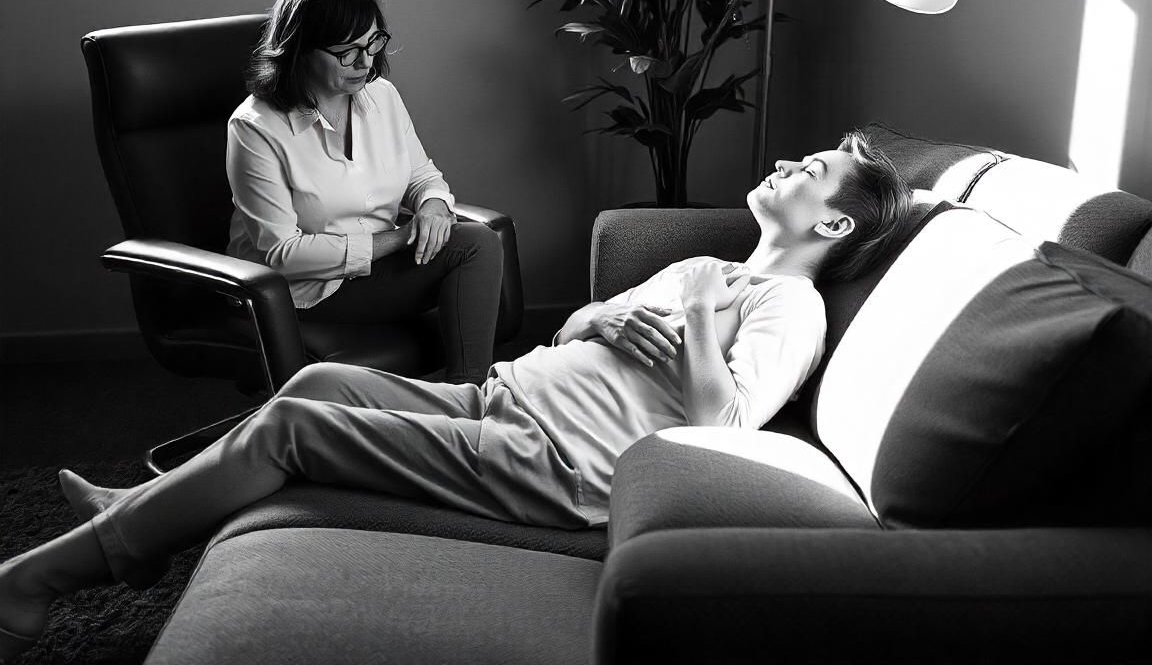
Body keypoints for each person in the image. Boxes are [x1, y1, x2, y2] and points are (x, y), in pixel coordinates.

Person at [0, 131, 913, 658]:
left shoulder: (785, 302)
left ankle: (44, 578)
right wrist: (604, 322)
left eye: (812, 171)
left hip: (556, 466)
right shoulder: (701, 263)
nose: (790, 166)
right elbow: (572, 325)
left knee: (291, 431)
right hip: (502, 400)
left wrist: (706, 316)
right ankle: (139, 514)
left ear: (831, 222)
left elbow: (721, 422)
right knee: (319, 380)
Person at [227, 0, 503, 383]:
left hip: (376, 267)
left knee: (479, 241)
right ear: (300, 48)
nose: (366, 61)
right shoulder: (255, 128)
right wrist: (397, 239)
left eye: (373, 42)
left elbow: (421, 175)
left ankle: (465, 399)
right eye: (346, 52)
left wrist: (432, 206)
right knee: (473, 246)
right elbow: (281, 255)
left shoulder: (381, 96)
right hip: (306, 288)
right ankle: (467, 406)